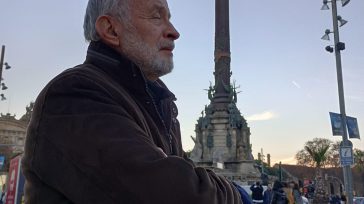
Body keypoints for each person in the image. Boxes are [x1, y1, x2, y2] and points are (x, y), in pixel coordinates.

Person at [21, 0, 242, 203]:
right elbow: (180, 194)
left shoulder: (158, 104)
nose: (174, 32)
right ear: (111, 29)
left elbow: (187, 174)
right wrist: (239, 195)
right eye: (156, 17)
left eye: (169, 18)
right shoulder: (73, 94)